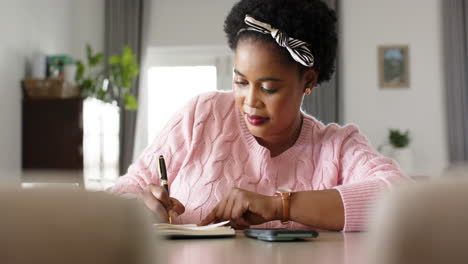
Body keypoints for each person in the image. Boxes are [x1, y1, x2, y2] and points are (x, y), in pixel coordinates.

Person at [111, 0, 411, 231]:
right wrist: (139, 203)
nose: (250, 101)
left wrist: (280, 206)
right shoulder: (201, 115)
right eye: (241, 81)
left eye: (268, 88)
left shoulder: (337, 146)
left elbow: (401, 199)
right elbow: (124, 190)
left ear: (307, 81)